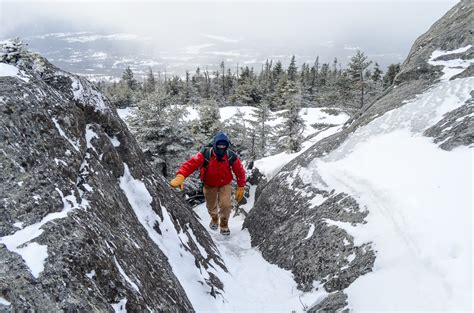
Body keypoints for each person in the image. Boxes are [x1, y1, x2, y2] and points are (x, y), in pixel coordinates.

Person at [169, 132, 246, 235]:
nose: (221, 147)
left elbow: (240, 171)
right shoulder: (205, 153)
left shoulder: (231, 156)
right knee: (211, 205)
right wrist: (181, 175)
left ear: (227, 145)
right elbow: (191, 164)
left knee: (226, 205)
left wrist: (241, 186)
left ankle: (224, 225)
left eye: (224, 145)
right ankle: (214, 219)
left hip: (225, 184)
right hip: (209, 184)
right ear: (215, 144)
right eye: (219, 145)